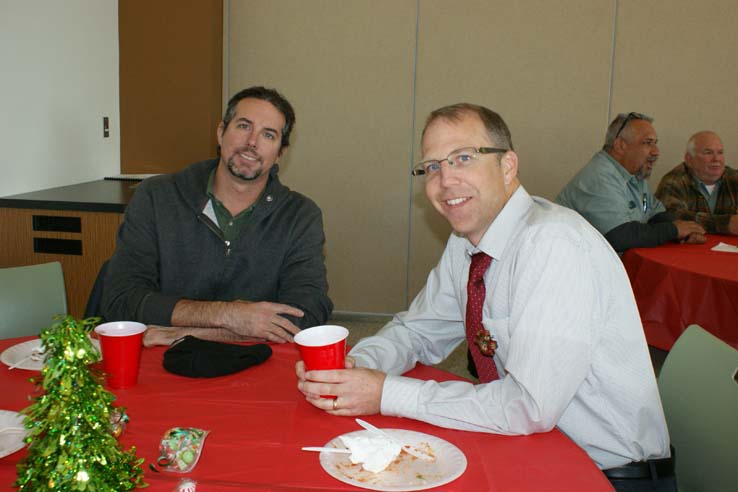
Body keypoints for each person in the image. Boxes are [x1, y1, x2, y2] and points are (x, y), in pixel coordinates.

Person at [296, 104, 676, 491]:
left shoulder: (554, 244)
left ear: (508, 166)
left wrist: (385, 393)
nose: (445, 180)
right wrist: (356, 367)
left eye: (463, 158)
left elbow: (528, 407)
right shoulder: (467, 242)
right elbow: (418, 332)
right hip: (532, 450)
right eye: (432, 166)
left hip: (606, 473)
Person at [101, 86, 333, 346]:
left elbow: (307, 316)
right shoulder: (156, 197)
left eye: (268, 135)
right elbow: (120, 301)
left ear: (280, 153)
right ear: (221, 132)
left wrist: (183, 333)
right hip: (160, 363)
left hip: (250, 364)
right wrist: (230, 315)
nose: (252, 142)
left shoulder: (300, 215)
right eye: (244, 126)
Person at [555, 112, 705, 253]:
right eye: (648, 143)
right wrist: (674, 230)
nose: (656, 151)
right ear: (620, 145)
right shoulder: (600, 176)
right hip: (576, 268)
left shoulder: (637, 176)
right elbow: (620, 236)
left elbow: (651, 212)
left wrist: (686, 231)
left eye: (655, 143)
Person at [656, 131, 738, 235]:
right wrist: (726, 224)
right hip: (686, 250)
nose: (716, 159)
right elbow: (669, 217)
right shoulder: (673, 181)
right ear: (689, 159)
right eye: (708, 153)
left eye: (720, 152)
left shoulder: (734, 179)